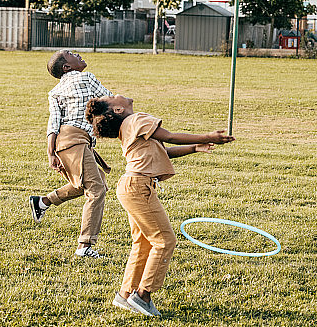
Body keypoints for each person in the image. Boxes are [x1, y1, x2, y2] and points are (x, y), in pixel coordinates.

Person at [85, 94, 234, 317]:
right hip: (138, 187)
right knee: (165, 241)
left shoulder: (128, 127)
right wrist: (209, 135)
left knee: (144, 243)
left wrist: (195, 147)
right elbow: (171, 137)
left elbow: (165, 152)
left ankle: (126, 294)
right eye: (112, 97)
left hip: (131, 186)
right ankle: (143, 296)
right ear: (117, 110)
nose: (117, 94)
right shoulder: (137, 120)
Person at [29, 50, 113, 258]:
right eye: (71, 54)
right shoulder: (86, 77)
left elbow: (54, 123)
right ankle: (84, 247)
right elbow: (111, 102)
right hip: (75, 140)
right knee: (96, 189)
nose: (77, 54)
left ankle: (42, 202)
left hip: (63, 142)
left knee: (88, 184)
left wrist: (51, 153)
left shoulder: (55, 91)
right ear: (67, 67)